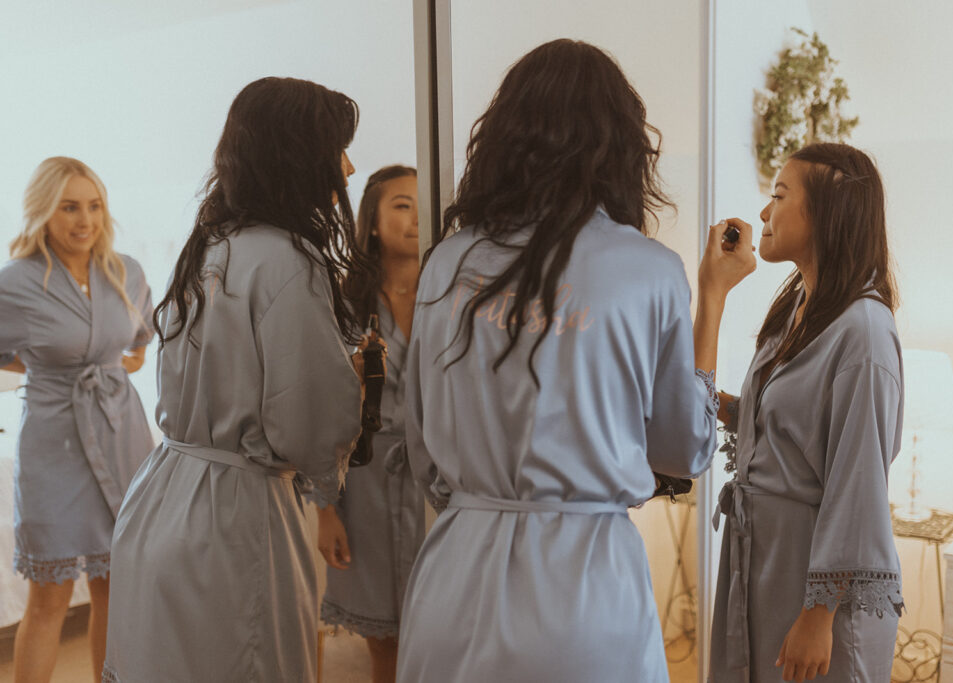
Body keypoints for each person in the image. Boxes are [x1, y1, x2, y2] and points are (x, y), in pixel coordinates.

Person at [397, 40, 755, 683]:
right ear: (619, 146)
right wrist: (713, 300)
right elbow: (683, 448)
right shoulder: (648, 269)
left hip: (457, 575)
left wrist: (486, 498)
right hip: (584, 589)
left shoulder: (447, 261)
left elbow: (420, 440)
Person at [103, 77, 370, 683]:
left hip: (160, 501)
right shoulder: (287, 261)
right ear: (298, 156)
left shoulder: (207, 247)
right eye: (337, 149)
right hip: (232, 517)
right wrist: (349, 390)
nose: (349, 169)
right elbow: (308, 423)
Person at [710, 142, 905, 683]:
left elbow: (858, 479)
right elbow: (782, 422)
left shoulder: (864, 333)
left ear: (826, 213)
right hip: (762, 555)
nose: (764, 214)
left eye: (778, 196)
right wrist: (716, 401)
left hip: (815, 575)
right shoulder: (796, 312)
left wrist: (819, 615)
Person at [0, 156, 154, 683]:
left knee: (118, 585)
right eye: (69, 207)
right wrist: (44, 366)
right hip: (54, 443)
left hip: (120, 432)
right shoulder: (16, 282)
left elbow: (138, 344)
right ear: (44, 211)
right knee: (49, 597)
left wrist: (106, 366)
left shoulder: (126, 271)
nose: (84, 220)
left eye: (93, 206)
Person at [322, 165, 425, 683]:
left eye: (423, 203)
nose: (416, 216)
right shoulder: (345, 305)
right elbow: (323, 412)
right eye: (403, 205)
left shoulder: (454, 299)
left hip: (438, 487)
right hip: (365, 488)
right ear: (375, 222)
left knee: (444, 636)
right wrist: (325, 510)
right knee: (384, 644)